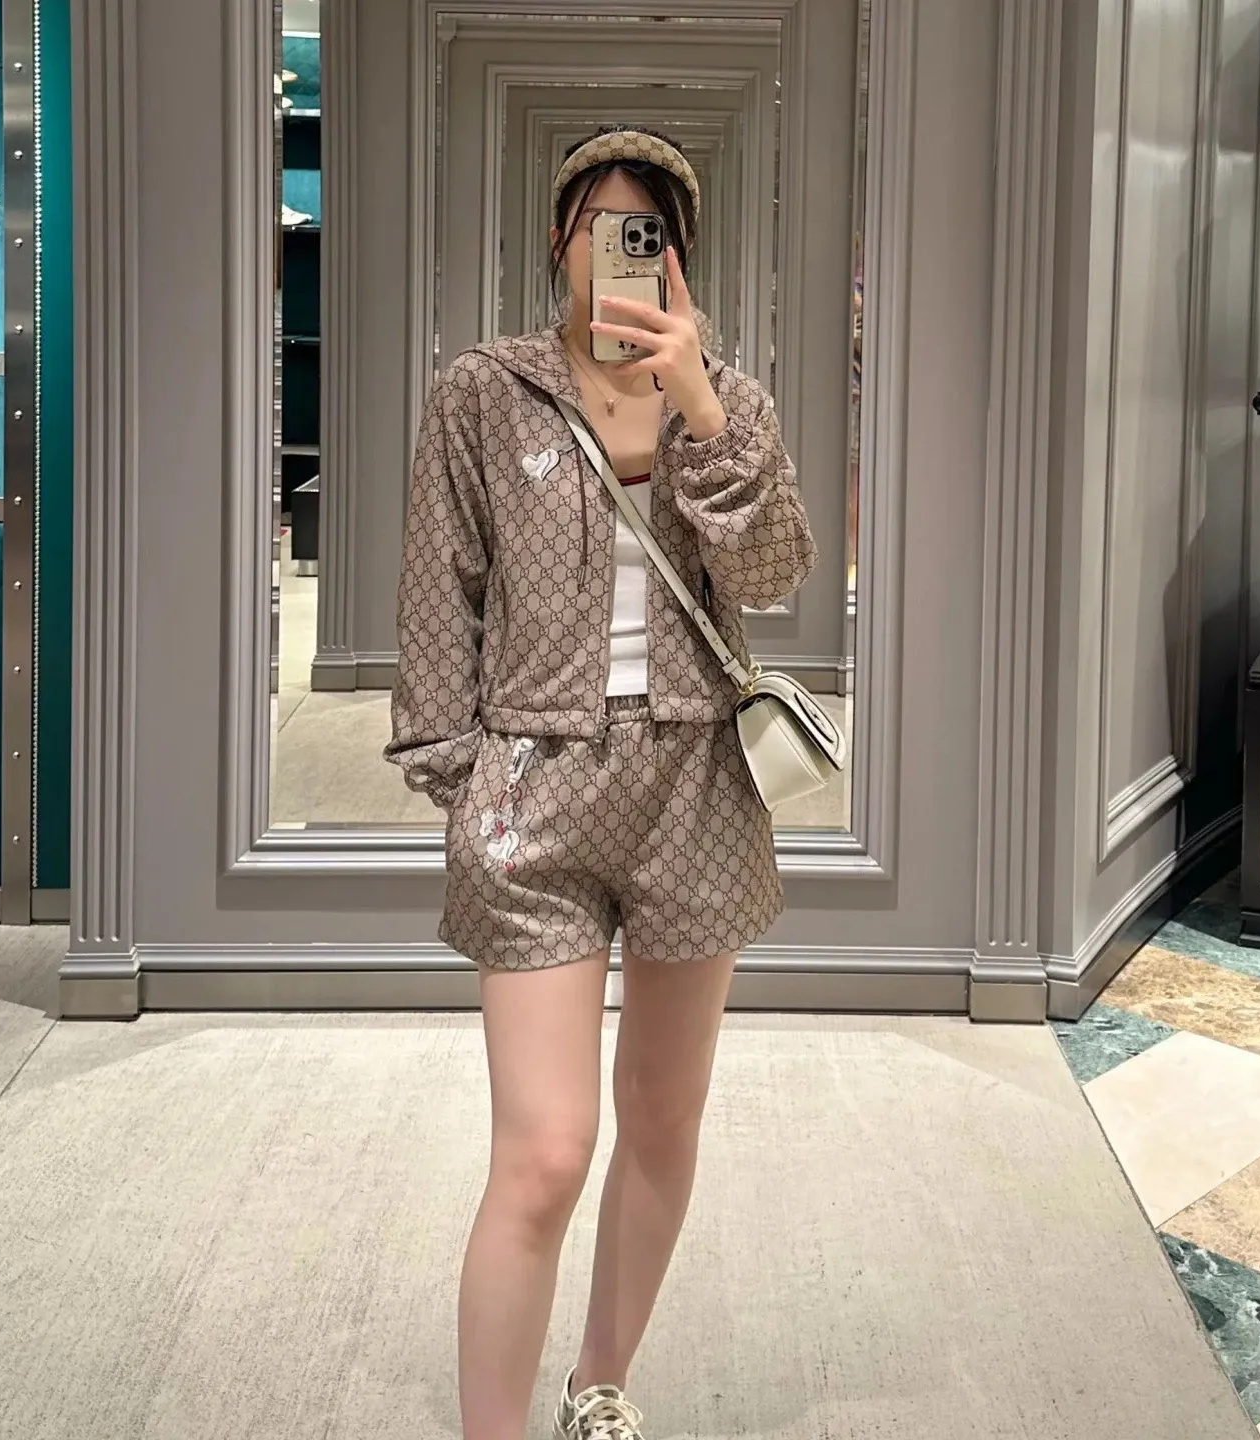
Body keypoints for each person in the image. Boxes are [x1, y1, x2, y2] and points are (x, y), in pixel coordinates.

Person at [385, 125, 818, 1440]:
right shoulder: (483, 394)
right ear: (559, 241)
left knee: (664, 1119)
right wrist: (464, 780)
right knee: (546, 1151)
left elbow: (775, 576)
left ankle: (600, 1383)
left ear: (677, 255)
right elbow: (438, 594)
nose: (624, 253)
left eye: (650, 232)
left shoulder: (728, 401)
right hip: (537, 787)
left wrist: (700, 409)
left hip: (694, 789)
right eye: (602, 228)